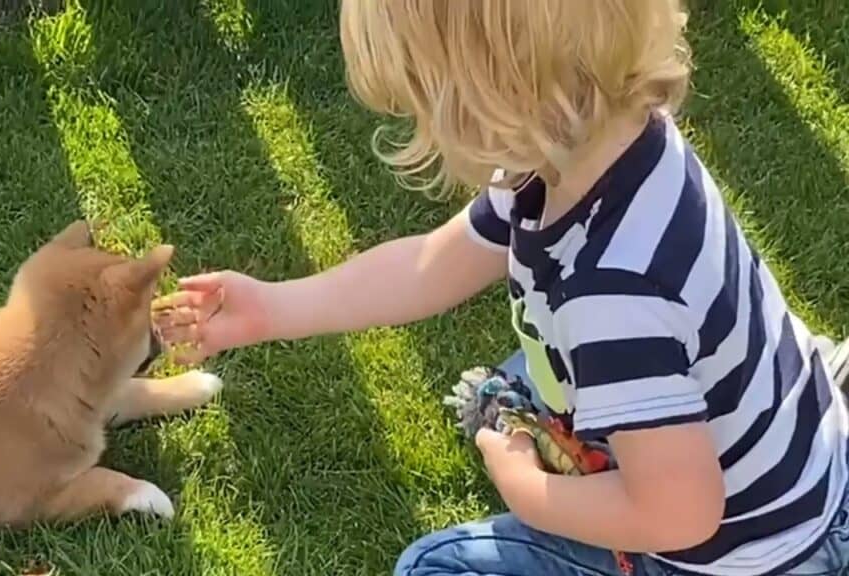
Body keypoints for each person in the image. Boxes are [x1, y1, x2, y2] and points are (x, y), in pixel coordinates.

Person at [155, 1, 849, 574]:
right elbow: (437, 262)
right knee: (541, 375)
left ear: (489, 93)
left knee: (434, 567)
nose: (420, 126)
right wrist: (274, 306)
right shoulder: (601, 143)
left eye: (421, 102)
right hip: (789, 449)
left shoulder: (610, 292)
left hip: (747, 552)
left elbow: (678, 515)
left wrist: (527, 487)